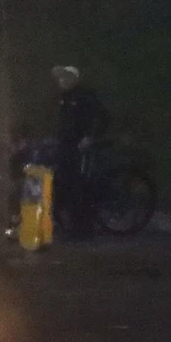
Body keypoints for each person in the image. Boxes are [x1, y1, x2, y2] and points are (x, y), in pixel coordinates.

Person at [51, 66, 111, 238]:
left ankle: (83, 229)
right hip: (65, 146)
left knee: (78, 185)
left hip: (80, 147)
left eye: (65, 78)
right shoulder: (63, 98)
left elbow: (104, 117)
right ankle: (71, 225)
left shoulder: (84, 95)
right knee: (65, 184)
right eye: (60, 78)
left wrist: (90, 137)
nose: (61, 81)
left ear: (74, 79)